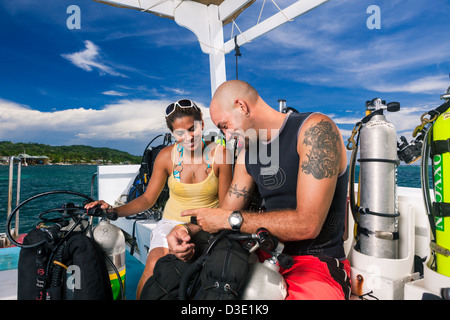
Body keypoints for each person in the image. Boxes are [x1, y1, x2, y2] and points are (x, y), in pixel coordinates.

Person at [167, 81, 351, 300]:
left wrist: (231, 219)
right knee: (176, 276)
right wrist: (186, 230)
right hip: (262, 251)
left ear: (242, 106)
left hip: (315, 263)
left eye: (225, 125)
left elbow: (307, 224)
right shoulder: (247, 151)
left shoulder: (315, 130)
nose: (226, 136)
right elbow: (225, 212)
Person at [85, 99, 232, 299]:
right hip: (171, 221)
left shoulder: (221, 155)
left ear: (202, 125)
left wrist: (203, 226)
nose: (188, 137)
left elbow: (225, 208)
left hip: (207, 224)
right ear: (172, 134)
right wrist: (113, 211)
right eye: (180, 133)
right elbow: (147, 199)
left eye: (192, 129)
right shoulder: (166, 156)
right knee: (154, 265)